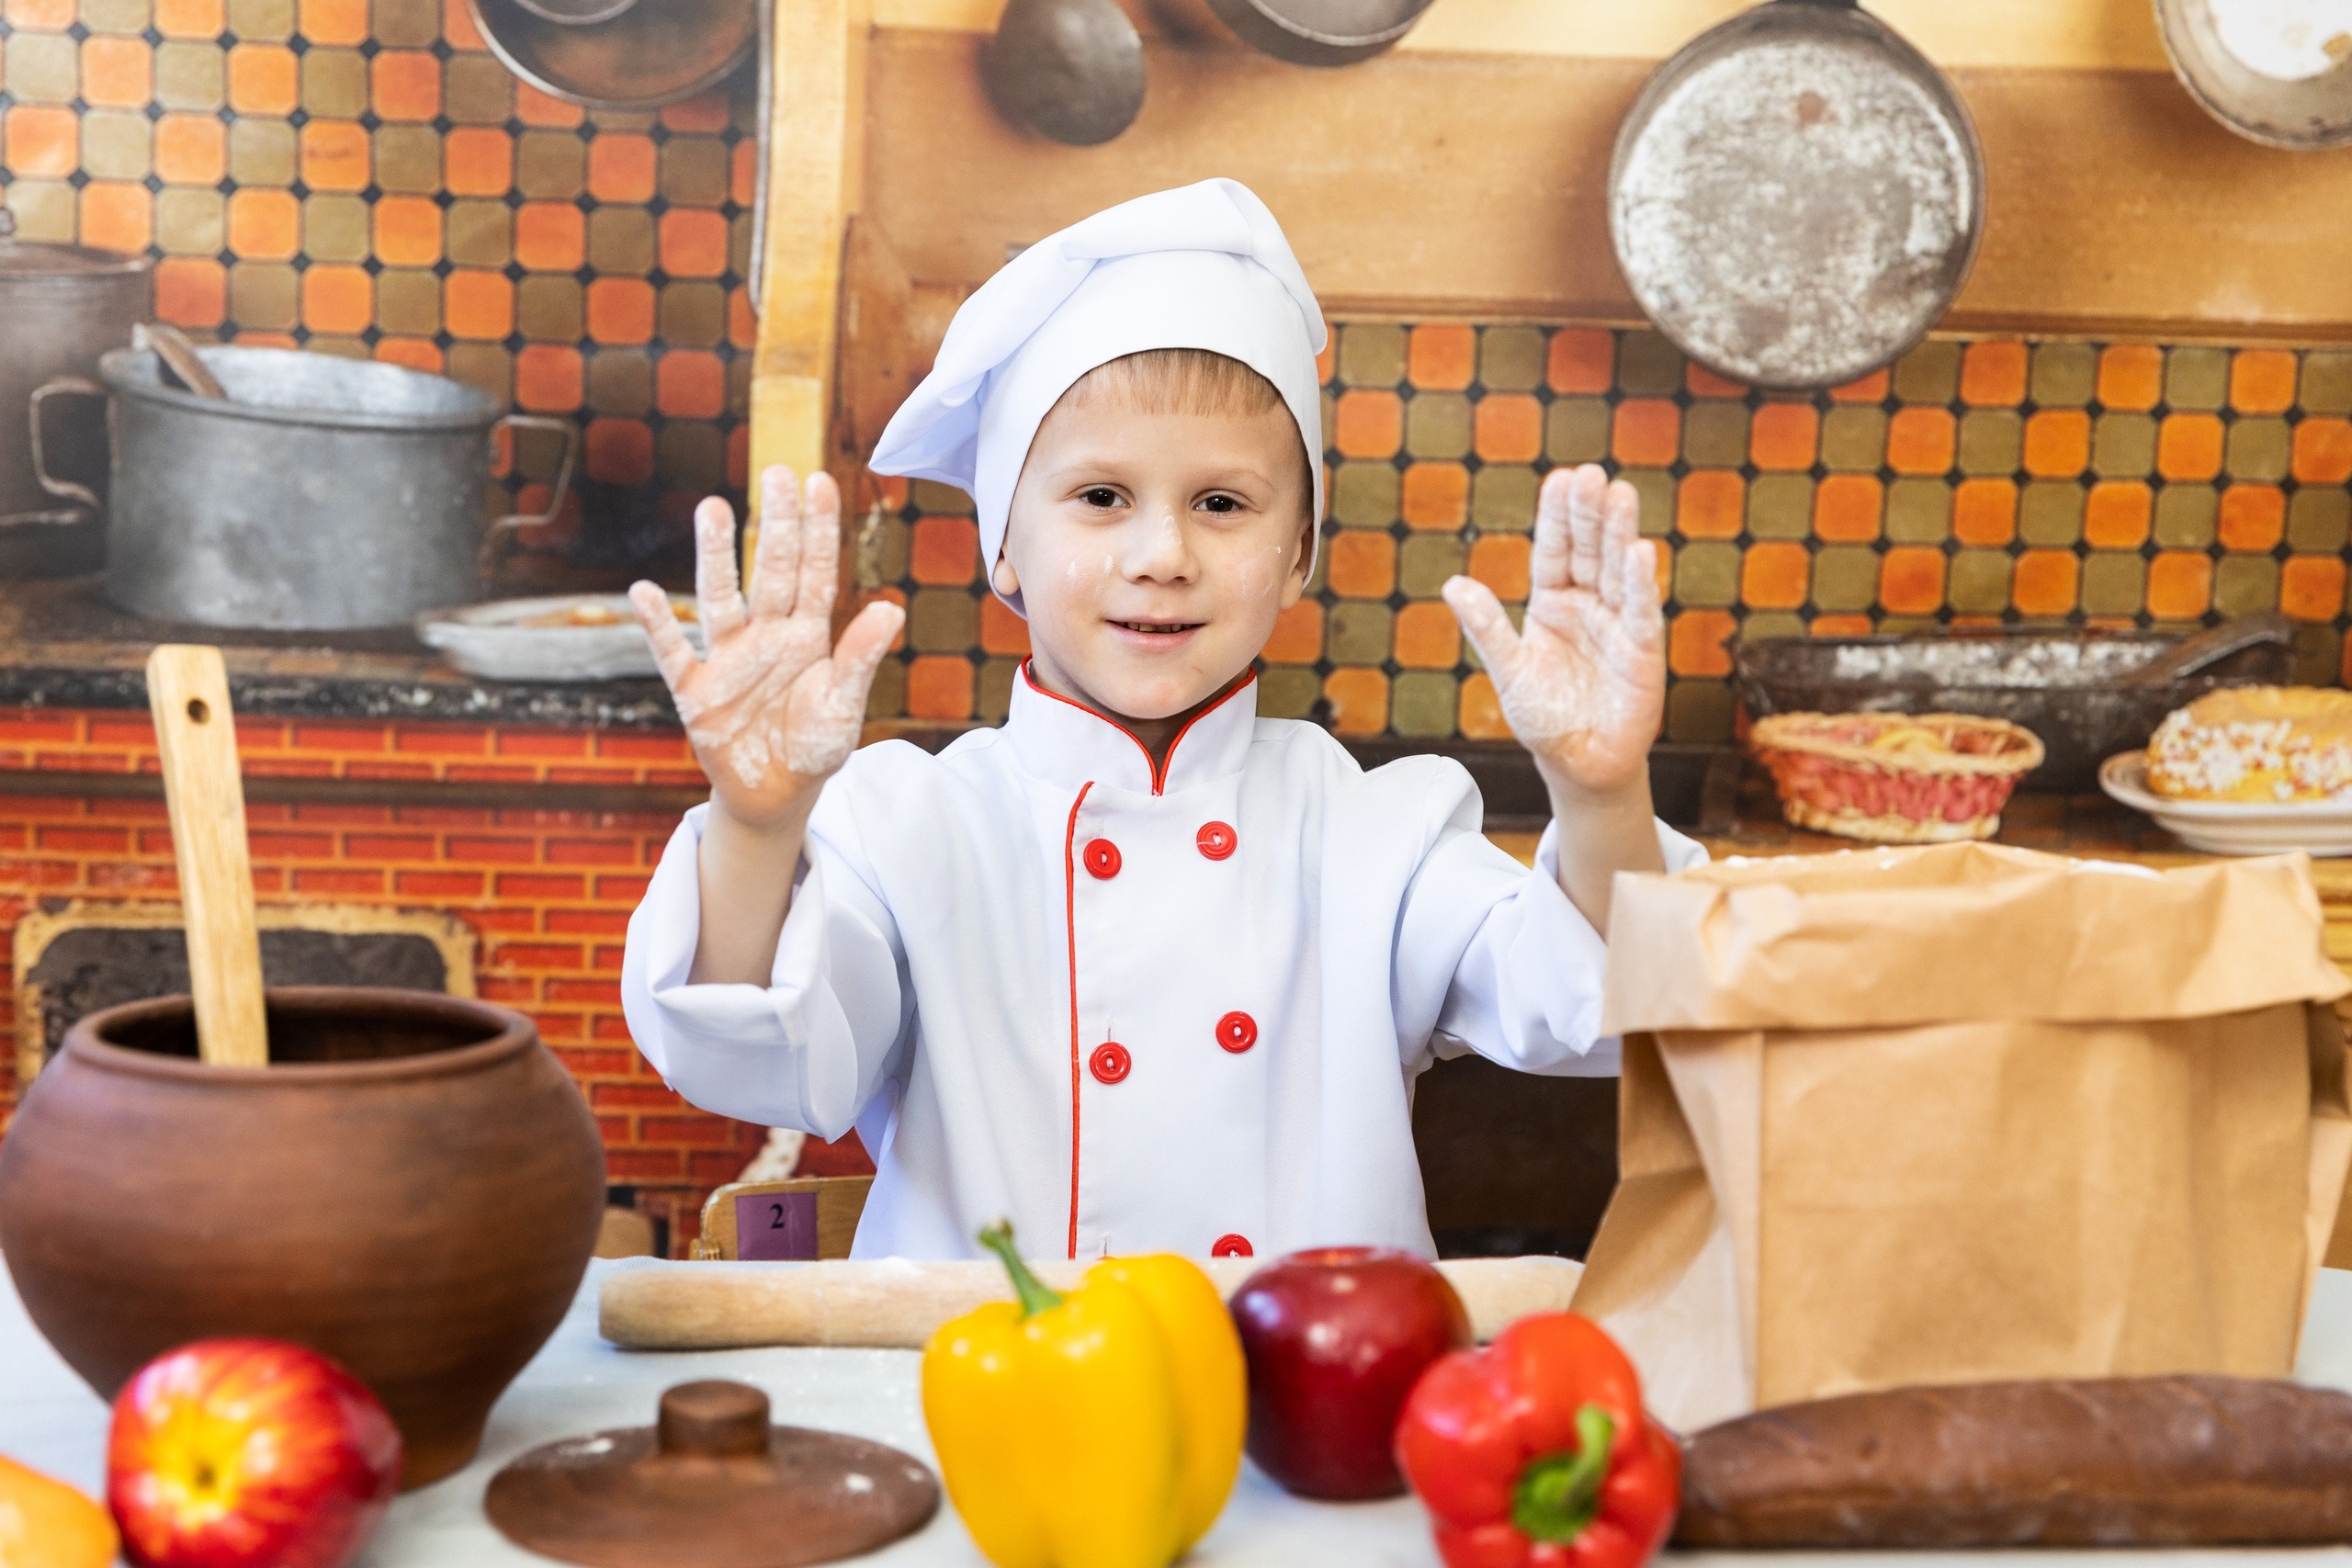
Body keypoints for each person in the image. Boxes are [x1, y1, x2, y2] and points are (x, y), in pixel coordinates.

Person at [619, 178, 1704, 1262]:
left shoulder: (1374, 831)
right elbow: (749, 1063)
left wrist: (1600, 793)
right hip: (990, 1366)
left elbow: (1600, 1010)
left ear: (1296, 554)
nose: (1162, 555)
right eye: (1101, 497)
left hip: (1296, 1373)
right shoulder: (909, 825)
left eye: (1220, 504)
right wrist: (756, 828)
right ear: (1004, 543)